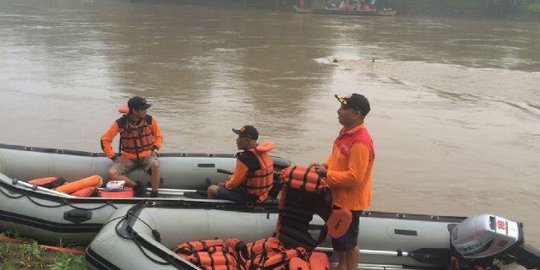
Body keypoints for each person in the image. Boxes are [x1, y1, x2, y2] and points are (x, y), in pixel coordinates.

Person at [311, 93, 374, 270]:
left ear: (357, 114)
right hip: (338, 197)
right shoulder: (345, 133)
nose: (339, 111)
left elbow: (355, 177)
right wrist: (324, 165)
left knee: (350, 244)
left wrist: (327, 173)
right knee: (339, 238)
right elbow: (335, 157)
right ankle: (341, 265)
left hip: (350, 203)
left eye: (344, 108)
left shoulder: (360, 142)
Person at [101, 96, 163, 197]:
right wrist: (113, 157)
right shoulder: (120, 123)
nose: (145, 111)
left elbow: (159, 136)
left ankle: (154, 193)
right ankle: (136, 187)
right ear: (134, 110)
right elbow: (105, 140)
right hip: (128, 158)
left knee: (155, 165)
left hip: (147, 155)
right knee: (112, 173)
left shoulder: (149, 120)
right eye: (143, 109)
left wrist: (155, 149)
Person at [207, 125, 274, 203]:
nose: (237, 140)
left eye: (239, 137)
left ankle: (212, 210)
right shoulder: (261, 153)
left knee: (211, 189)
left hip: (251, 198)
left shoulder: (244, 158)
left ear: (248, 141)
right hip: (262, 195)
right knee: (221, 184)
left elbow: (233, 184)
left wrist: (225, 185)